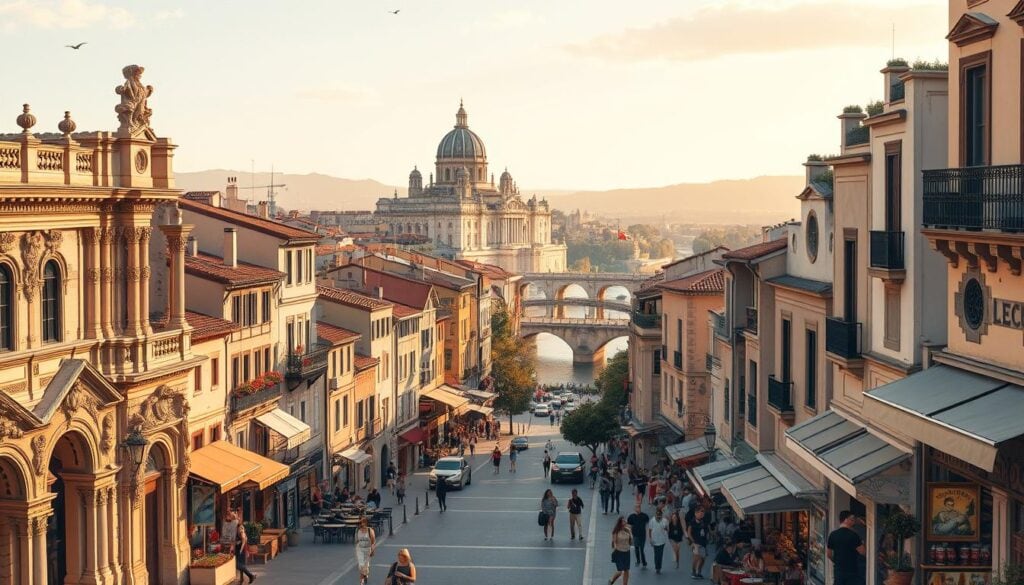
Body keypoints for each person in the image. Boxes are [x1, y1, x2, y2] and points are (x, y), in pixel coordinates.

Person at [828, 511, 866, 585]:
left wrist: (837, 561)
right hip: (851, 571)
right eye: (852, 519)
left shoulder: (833, 535)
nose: (853, 521)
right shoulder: (854, 535)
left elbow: (829, 554)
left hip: (838, 571)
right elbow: (863, 552)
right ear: (845, 520)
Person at [688, 505, 711, 579]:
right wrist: (693, 542)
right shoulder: (692, 522)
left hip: (703, 542)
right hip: (696, 543)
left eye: (703, 512)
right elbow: (689, 533)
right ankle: (693, 572)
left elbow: (707, 530)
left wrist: (708, 536)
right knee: (696, 558)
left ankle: (699, 572)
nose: (702, 513)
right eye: (701, 512)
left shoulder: (704, 521)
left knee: (703, 559)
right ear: (696, 513)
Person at [610, 516, 634, 585]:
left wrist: (630, 533)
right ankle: (611, 580)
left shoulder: (628, 530)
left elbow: (631, 541)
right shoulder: (616, 531)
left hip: (626, 552)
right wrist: (615, 549)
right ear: (620, 523)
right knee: (620, 571)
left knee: (626, 570)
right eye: (623, 521)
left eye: (625, 521)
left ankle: (625, 584)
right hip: (619, 552)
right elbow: (614, 542)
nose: (625, 522)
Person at [626, 503, 650, 569]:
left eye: (639, 507)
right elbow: (628, 525)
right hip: (635, 535)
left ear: (640, 508)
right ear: (634, 509)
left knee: (642, 549)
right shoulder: (631, 516)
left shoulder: (644, 516)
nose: (638, 509)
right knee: (636, 548)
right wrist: (629, 533)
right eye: (636, 507)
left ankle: (644, 562)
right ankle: (638, 561)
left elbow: (647, 523)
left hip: (642, 535)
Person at [647, 506, 670, 574]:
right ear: (655, 514)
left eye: (660, 515)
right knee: (656, 555)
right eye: (657, 514)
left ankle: (659, 567)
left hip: (662, 540)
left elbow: (667, 530)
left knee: (660, 555)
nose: (658, 516)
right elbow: (650, 530)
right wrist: (650, 539)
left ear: (661, 515)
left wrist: (666, 528)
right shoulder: (652, 520)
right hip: (655, 540)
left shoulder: (665, 521)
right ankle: (657, 567)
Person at [354, 516, 376, 585]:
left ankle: (363, 578)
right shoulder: (358, 530)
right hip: (359, 549)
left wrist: (372, 549)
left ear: (366, 523)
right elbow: (356, 540)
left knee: (365, 565)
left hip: (367, 549)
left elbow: (373, 541)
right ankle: (364, 577)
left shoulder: (370, 530)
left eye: (363, 522)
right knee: (361, 565)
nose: (361, 524)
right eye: (360, 522)